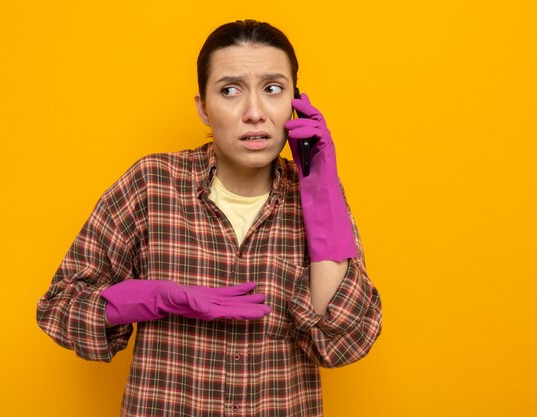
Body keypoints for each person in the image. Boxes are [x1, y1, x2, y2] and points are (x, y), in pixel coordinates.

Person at [37, 19, 382, 417]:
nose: (254, 112)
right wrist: (151, 298)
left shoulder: (322, 201)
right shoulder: (152, 184)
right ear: (202, 106)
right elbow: (59, 309)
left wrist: (322, 198)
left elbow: (344, 342)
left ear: (295, 101)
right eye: (230, 90)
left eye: (272, 89)